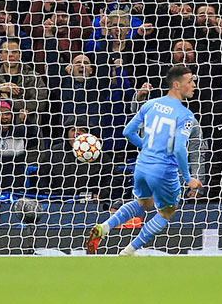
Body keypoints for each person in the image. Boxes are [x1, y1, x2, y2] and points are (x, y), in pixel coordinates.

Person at [86, 65, 202, 256]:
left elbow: (127, 132)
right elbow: (180, 148)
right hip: (164, 169)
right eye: (189, 81)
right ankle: (129, 251)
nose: (194, 85)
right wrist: (188, 178)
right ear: (176, 84)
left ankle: (105, 227)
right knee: (167, 212)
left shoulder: (150, 105)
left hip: (142, 166)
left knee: (144, 204)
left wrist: (146, 146)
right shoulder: (185, 115)